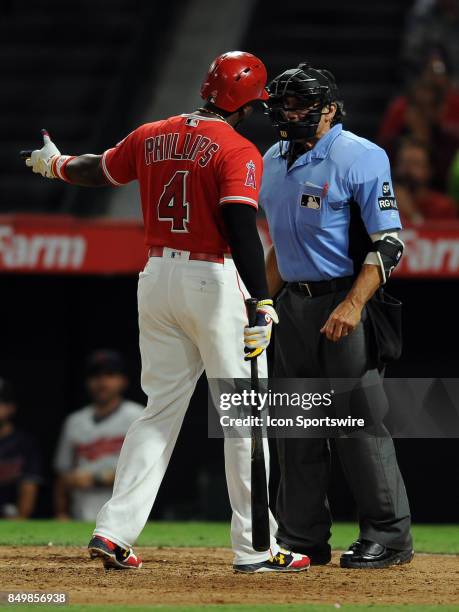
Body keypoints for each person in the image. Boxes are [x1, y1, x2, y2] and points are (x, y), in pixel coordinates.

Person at [23, 51, 309, 573]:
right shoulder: (240, 148)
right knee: (246, 417)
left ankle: (113, 532)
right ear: (246, 102)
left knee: (158, 412)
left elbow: (99, 170)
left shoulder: (152, 132)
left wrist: (57, 164)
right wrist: (263, 301)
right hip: (214, 280)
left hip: (156, 278)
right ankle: (256, 549)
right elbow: (241, 226)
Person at [261, 62, 413, 569]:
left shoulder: (360, 155)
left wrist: (353, 303)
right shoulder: (273, 158)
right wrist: (261, 304)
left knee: (357, 424)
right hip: (293, 307)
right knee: (295, 427)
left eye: (299, 103)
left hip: (344, 302)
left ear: (328, 108)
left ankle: (389, 536)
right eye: (283, 103)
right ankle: (302, 538)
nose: (288, 112)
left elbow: (389, 243)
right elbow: (281, 247)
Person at [54, 350, 143, 521]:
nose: (102, 382)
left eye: (110, 375)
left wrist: (97, 478)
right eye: (96, 376)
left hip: (127, 517)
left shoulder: (138, 416)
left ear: (123, 381)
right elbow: (62, 474)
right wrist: (61, 512)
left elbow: (143, 471)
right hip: (80, 513)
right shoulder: (74, 421)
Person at [0, 378, 42, 518]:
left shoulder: (24, 443)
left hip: (11, 518)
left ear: (11, 407)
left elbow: (29, 487)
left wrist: (20, 519)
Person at [394, 137, 457, 222]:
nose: (407, 170)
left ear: (429, 171)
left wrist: (413, 214)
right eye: (403, 163)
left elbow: (439, 234)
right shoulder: (383, 204)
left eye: (415, 164)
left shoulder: (443, 206)